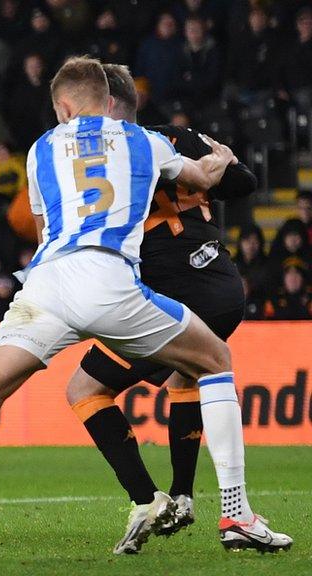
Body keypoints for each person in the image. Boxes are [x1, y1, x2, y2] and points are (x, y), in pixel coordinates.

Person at [0, 57, 286, 554]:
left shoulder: (40, 150)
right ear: (109, 102)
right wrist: (222, 157)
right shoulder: (144, 141)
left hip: (45, 282)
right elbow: (207, 176)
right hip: (106, 277)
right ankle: (236, 515)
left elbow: (42, 231)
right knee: (215, 361)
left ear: (63, 108)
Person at [64, 64, 289, 555]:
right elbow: (245, 181)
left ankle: (152, 499)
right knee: (189, 375)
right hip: (222, 285)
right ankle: (188, 497)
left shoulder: (105, 154)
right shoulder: (176, 138)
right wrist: (209, 166)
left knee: (85, 389)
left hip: (172, 289)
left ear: (101, 104)